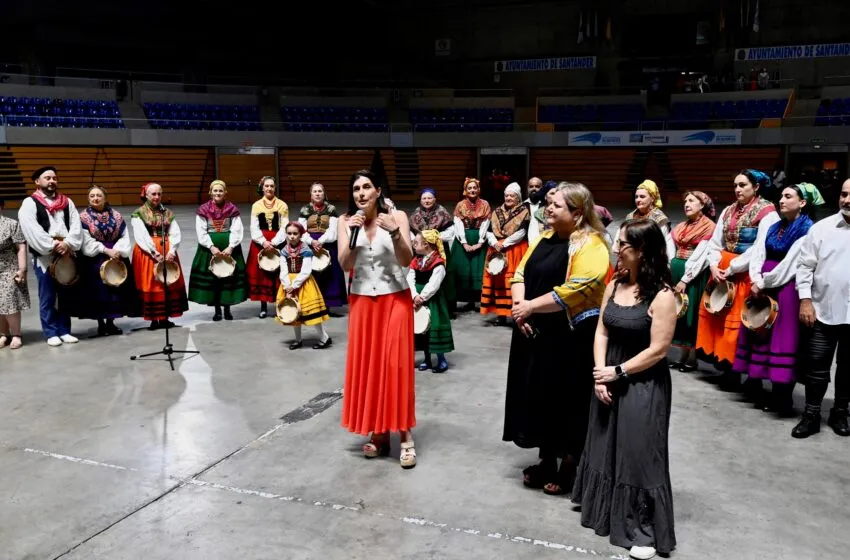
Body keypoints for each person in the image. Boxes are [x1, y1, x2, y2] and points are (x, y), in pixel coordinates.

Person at [573, 219, 678, 560]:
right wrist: (599, 375)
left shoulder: (663, 295)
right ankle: (603, 510)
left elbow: (658, 350)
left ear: (643, 251)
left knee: (639, 453)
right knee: (605, 443)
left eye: (624, 244)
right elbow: (601, 332)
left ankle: (642, 528)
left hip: (642, 380)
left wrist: (616, 373)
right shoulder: (615, 283)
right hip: (609, 371)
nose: (616, 249)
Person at [506, 182, 610, 496]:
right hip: (535, 332)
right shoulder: (545, 239)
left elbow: (578, 287)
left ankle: (570, 463)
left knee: (567, 402)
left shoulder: (592, 244)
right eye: (549, 204)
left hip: (570, 338)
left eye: (557, 205)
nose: (548, 209)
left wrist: (530, 307)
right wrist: (520, 309)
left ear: (578, 213)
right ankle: (546, 458)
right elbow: (520, 274)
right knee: (538, 398)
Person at [338, 169, 417, 469]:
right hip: (361, 301)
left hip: (395, 297)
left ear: (378, 191)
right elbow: (345, 264)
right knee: (370, 366)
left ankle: (405, 435)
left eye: (367, 187)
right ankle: (379, 432)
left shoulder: (398, 217)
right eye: (356, 188)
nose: (361, 193)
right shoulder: (345, 222)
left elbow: (407, 259)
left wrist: (395, 232)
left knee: (395, 365)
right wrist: (352, 237)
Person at [734, 183, 824, 416]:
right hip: (763, 284)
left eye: (788, 196)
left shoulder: (807, 229)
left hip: (785, 289)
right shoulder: (775, 226)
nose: (781, 200)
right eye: (781, 196)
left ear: (802, 203)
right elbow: (759, 252)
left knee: (782, 341)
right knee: (760, 335)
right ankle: (756, 385)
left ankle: (782, 397)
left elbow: (791, 265)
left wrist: (763, 282)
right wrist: (756, 276)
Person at [696, 170, 778, 381]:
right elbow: (716, 242)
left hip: (745, 271)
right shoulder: (728, 210)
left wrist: (732, 267)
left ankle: (740, 368)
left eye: (743, 185)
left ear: (756, 187)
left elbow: (760, 248)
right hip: (722, 270)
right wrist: (713, 265)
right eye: (735, 185)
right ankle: (724, 366)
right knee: (719, 317)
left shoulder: (768, 212)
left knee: (741, 325)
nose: (738, 190)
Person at [792, 179, 850, 439]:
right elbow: (804, 267)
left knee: (848, 370)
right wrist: (805, 300)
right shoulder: (821, 229)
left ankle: (840, 412)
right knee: (816, 368)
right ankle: (811, 414)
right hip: (822, 312)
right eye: (844, 194)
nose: (847, 200)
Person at [17, 166, 82, 346]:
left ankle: (65, 330)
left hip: (66, 253)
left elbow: (76, 227)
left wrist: (67, 243)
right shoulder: (29, 203)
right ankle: (51, 331)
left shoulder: (67, 202)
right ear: (37, 182)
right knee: (47, 295)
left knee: (65, 294)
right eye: (47, 178)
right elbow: (31, 229)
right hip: (45, 256)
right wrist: (53, 245)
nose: (52, 181)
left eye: (54, 178)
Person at [76, 185, 138, 335]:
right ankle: (100, 323)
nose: (95, 198)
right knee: (98, 291)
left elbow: (124, 235)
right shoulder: (83, 217)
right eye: (92, 196)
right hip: (95, 257)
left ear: (105, 198)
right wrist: (105, 250)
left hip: (116, 255)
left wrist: (117, 250)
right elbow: (86, 240)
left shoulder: (116, 215)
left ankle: (111, 322)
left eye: (99, 195)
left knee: (114, 290)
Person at [130, 183, 189, 330]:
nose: (156, 197)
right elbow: (141, 236)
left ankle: (165, 317)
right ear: (146, 195)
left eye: (159, 194)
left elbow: (175, 232)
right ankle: (153, 318)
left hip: (167, 250)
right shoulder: (139, 213)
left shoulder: (167, 212)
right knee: (152, 283)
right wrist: (154, 253)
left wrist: (172, 251)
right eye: (153, 194)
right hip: (148, 252)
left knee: (168, 281)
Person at [188, 180, 248, 321]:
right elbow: (201, 231)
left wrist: (231, 246)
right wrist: (211, 246)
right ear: (210, 192)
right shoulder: (203, 210)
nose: (218, 193)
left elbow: (237, 229)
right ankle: (217, 309)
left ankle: (227, 308)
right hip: (209, 249)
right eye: (215, 191)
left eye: (220, 190)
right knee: (214, 278)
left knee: (228, 276)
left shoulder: (232, 209)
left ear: (225, 192)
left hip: (229, 247)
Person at [670, 191, 716, 371]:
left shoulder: (708, 227)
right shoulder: (681, 226)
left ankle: (693, 357)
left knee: (691, 313)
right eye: (685, 201)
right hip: (677, 271)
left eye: (691, 201)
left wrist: (685, 279)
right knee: (678, 313)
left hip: (693, 275)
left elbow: (702, 257)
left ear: (702, 205)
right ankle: (682, 355)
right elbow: (671, 248)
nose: (686, 204)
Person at [276, 221, 331, 349]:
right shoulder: (284, 251)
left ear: (301, 234)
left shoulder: (306, 250)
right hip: (289, 283)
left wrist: (294, 285)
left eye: (295, 233)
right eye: (289, 233)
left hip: (304, 283)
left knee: (312, 312)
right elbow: (283, 270)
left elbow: (306, 271)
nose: (292, 236)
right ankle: (298, 339)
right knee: (294, 312)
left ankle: (324, 337)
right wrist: (286, 285)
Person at [481, 182, 530, 325]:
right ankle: (500, 314)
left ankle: (516, 314)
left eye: (511, 195)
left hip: (514, 249)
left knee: (513, 281)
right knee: (497, 282)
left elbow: (521, 232)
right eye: (506, 195)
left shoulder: (524, 211)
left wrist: (504, 243)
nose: (508, 198)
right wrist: (493, 242)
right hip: (496, 248)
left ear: (518, 198)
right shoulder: (496, 211)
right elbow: (489, 231)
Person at [407, 230, 454, 373]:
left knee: (433, 327)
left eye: (416, 243)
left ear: (427, 245)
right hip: (417, 298)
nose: (414, 245)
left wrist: (422, 297)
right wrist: (414, 295)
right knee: (421, 330)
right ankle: (427, 359)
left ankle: (441, 360)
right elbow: (410, 278)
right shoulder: (416, 261)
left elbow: (434, 283)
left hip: (432, 300)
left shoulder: (438, 263)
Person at [298, 182, 347, 310]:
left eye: (320, 191)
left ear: (324, 194)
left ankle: (328, 305)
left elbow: (333, 229)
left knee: (329, 275)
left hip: (328, 244)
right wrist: (311, 241)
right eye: (315, 191)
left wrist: (321, 241)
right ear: (311, 195)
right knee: (311, 274)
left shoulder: (331, 209)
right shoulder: (305, 210)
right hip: (310, 244)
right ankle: (313, 304)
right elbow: (301, 230)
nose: (318, 193)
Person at [247, 176, 288, 318]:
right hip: (260, 243)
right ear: (262, 188)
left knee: (279, 274)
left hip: (278, 242)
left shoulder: (282, 205)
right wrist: (263, 241)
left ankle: (280, 305)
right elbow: (254, 226)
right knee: (262, 275)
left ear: (275, 188)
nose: (269, 188)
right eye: (267, 186)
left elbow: (284, 226)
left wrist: (275, 242)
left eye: (272, 186)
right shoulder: (256, 205)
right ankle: (263, 306)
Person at [451, 178, 491, 309]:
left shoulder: (485, 204)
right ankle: (465, 299)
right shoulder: (460, 205)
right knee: (463, 268)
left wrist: (480, 242)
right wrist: (464, 243)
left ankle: (479, 300)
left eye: (475, 188)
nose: (472, 190)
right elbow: (457, 224)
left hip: (479, 237)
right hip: (464, 238)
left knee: (478, 268)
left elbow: (486, 223)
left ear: (478, 189)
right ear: (465, 190)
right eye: (470, 188)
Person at [0, 197, 29, 350]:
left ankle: (16, 334)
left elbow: (21, 248)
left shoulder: (11, 224)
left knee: (9, 301)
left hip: (9, 268)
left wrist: (22, 268)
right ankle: (3, 334)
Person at [625, 179, 675, 260]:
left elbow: (664, 243)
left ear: (652, 198)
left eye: (642, 197)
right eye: (636, 197)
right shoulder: (630, 216)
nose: (638, 200)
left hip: (651, 259)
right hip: (631, 257)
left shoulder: (659, 219)